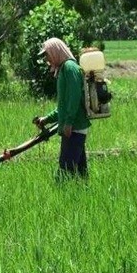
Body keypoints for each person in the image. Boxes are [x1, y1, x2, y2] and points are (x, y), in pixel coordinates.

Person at [34, 38, 91, 180]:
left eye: (47, 55)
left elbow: (74, 98)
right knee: (80, 174)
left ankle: (64, 196)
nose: (47, 59)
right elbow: (64, 106)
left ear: (55, 52)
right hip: (73, 128)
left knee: (64, 173)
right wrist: (47, 118)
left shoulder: (70, 68)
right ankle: (83, 198)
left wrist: (69, 122)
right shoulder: (63, 69)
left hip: (74, 128)